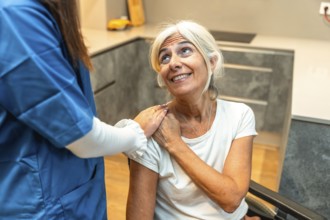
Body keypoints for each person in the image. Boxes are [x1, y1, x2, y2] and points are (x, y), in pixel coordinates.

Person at [0, 0, 167, 219]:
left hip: (73, 190)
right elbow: (82, 136)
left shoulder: (43, 14)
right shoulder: (16, 16)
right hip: (41, 200)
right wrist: (134, 135)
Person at [126, 20, 259, 220]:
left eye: (185, 50)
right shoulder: (153, 127)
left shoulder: (240, 115)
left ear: (211, 62)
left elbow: (231, 200)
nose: (174, 63)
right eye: (165, 57)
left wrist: (174, 143)